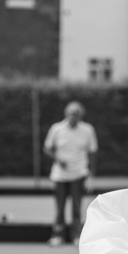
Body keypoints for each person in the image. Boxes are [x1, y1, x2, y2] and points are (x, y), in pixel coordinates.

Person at [44, 102, 98, 246]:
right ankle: (57, 235)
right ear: (66, 114)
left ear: (80, 115)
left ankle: (77, 236)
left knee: (76, 206)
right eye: (71, 113)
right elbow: (47, 148)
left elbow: (92, 151)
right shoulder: (56, 129)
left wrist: (91, 173)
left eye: (76, 113)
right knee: (59, 207)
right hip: (59, 175)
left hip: (79, 174)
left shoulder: (87, 130)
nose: (73, 116)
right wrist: (58, 159)